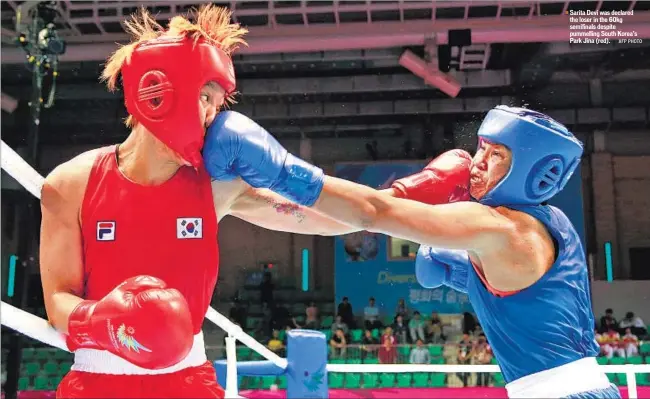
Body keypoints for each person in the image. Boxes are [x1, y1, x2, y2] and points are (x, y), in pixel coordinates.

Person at [38, 6, 376, 398]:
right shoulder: (70, 184)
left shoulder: (217, 186)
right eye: (204, 96)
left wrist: (394, 206)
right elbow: (58, 300)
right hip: (95, 381)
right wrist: (107, 322)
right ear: (157, 92)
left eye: (218, 103)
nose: (212, 115)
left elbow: (317, 219)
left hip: (188, 381)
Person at [203, 105, 619, 398]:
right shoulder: (552, 227)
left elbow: (372, 211)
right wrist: (243, 200)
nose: (477, 162)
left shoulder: (500, 227)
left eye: (497, 156)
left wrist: (278, 168)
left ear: (534, 172)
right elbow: (528, 300)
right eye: (482, 148)